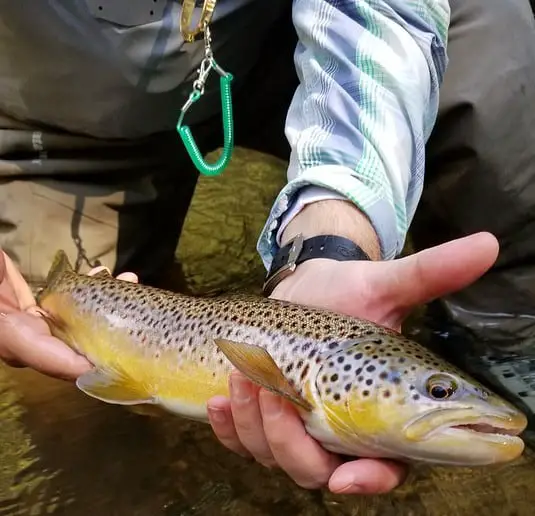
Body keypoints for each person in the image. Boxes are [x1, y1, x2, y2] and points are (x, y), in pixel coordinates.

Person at [1, 0, 535, 496]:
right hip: (53, 114)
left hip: (278, 45)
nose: (447, 399)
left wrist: (335, 238)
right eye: (439, 392)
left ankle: (508, 337)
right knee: (53, 370)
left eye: (438, 390)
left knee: (491, 27)